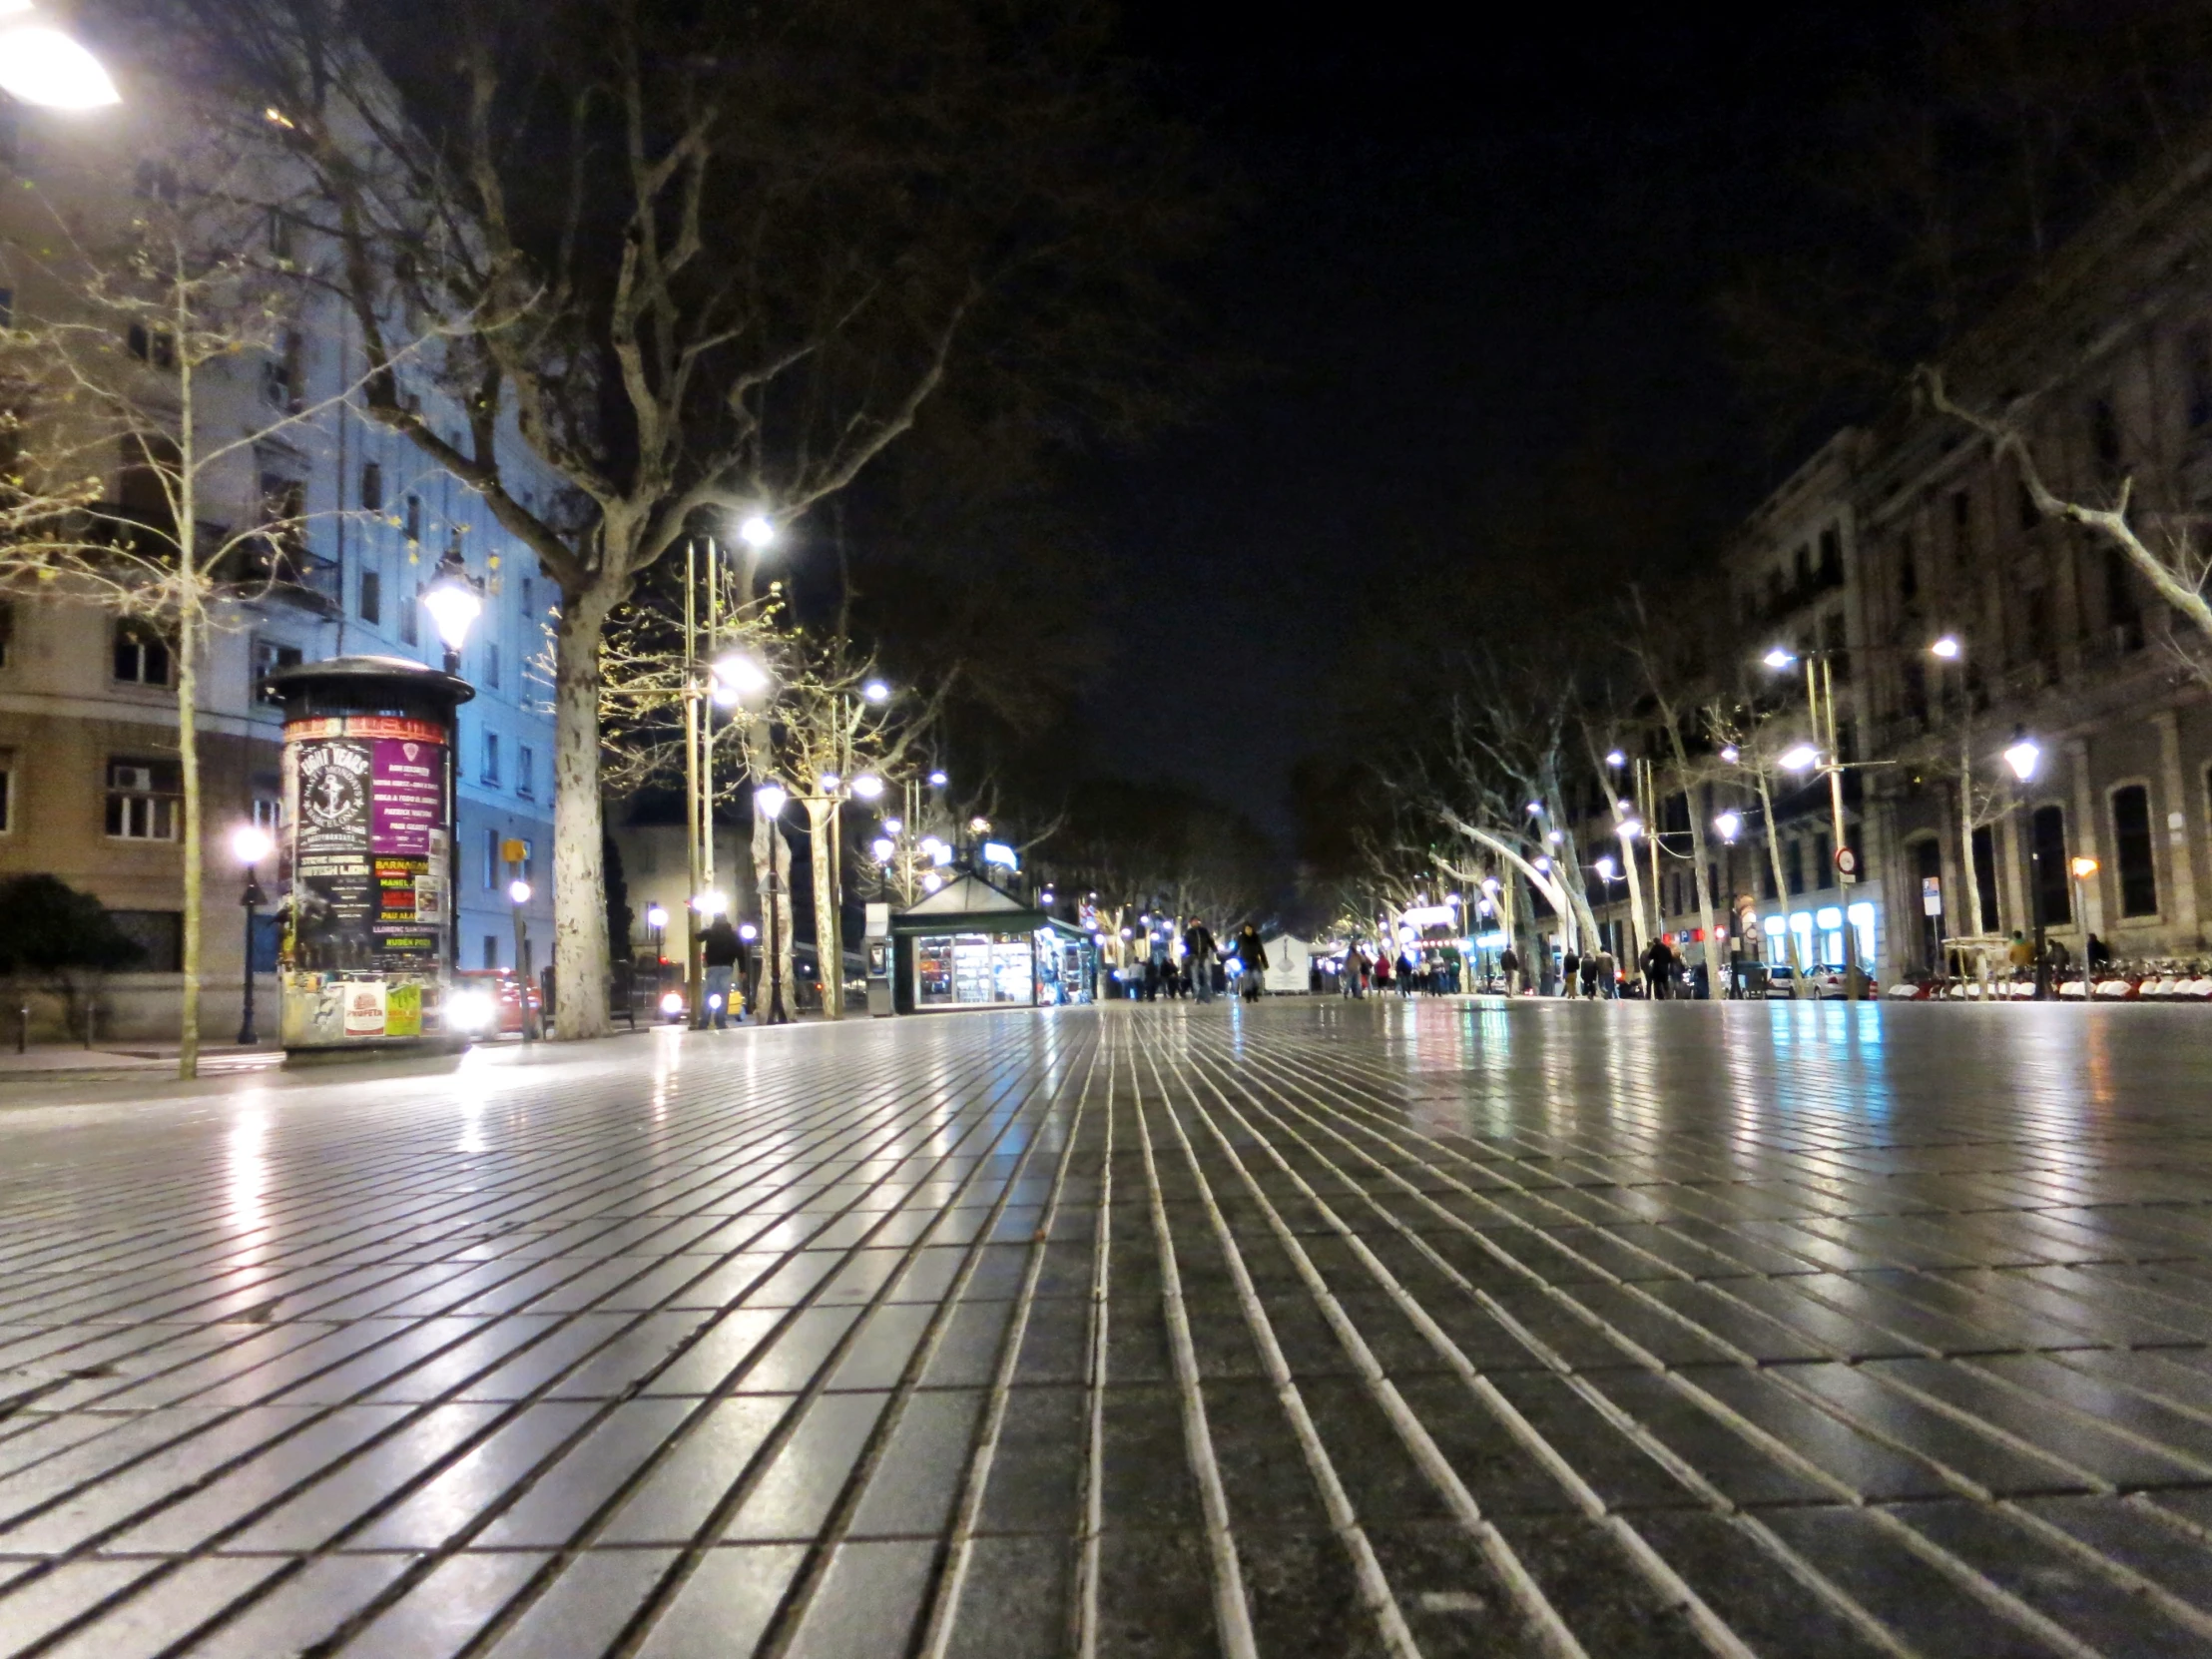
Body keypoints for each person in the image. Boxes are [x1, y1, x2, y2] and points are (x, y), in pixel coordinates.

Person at [700, 916, 743, 1028]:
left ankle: (704, 1021)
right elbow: (740, 953)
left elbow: (698, 937)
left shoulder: (710, 932)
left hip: (712, 967)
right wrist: (743, 970)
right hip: (726, 967)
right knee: (723, 995)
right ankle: (720, 1021)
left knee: (708, 994)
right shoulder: (733, 934)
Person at [1185, 919, 1218, 1004]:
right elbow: (1185, 944)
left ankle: (1206, 993)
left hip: (1204, 955)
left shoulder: (1204, 931)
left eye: (1197, 921)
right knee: (1195, 975)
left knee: (1208, 973)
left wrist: (1214, 949)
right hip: (1193, 955)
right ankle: (1197, 993)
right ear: (1191, 923)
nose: (1196, 923)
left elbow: (1210, 940)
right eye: (1194, 921)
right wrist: (1187, 954)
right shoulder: (1189, 932)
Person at [1234, 924, 1269, 1001]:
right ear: (1244, 930)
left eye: (1250, 929)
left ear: (1252, 929)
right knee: (1247, 980)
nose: (1248, 931)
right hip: (1245, 962)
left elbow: (1261, 950)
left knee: (1257, 979)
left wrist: (1265, 962)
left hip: (1255, 962)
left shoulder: (1256, 937)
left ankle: (1254, 993)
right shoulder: (1241, 938)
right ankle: (1248, 995)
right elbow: (1235, 950)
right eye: (1247, 929)